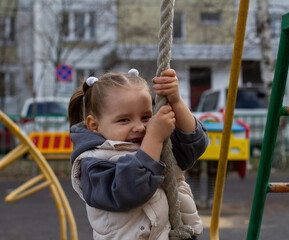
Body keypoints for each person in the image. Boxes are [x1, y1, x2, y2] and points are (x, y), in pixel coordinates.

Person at [68, 68, 208, 240]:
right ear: (94, 125)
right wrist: (154, 139)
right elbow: (130, 190)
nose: (139, 127)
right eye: (124, 120)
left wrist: (176, 101)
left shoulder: (153, 144)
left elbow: (193, 146)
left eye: (145, 117)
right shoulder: (92, 163)